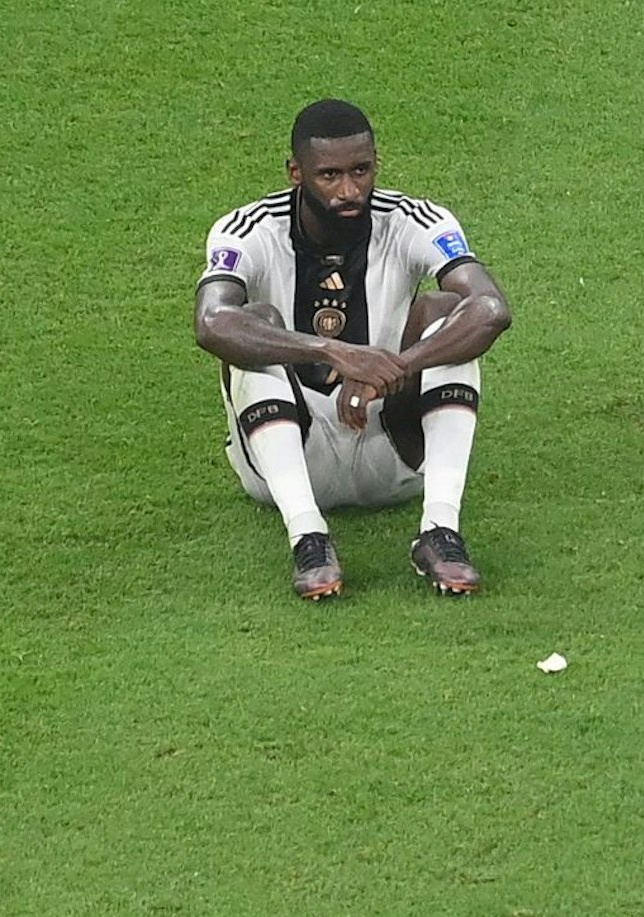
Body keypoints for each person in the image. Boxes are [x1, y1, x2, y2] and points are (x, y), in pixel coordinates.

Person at [194, 99, 512, 598]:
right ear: (296, 173)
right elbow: (211, 323)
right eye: (330, 175)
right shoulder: (248, 229)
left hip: (393, 452)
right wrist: (335, 353)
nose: (349, 190)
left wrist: (393, 368)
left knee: (449, 315)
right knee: (253, 325)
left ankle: (440, 531)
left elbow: (491, 309)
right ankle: (308, 536)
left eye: (361, 171)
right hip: (288, 455)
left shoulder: (411, 219)